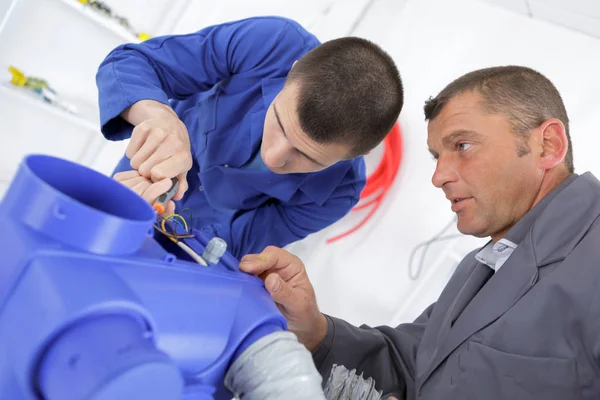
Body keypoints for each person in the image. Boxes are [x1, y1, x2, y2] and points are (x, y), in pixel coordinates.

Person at [240, 65, 600, 399]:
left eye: (463, 146)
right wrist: (315, 330)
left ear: (548, 145)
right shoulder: (480, 268)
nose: (439, 176)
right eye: (436, 156)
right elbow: (414, 366)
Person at [95, 16, 403, 258]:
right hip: (155, 159)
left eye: (307, 156)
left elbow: (232, 245)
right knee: (95, 233)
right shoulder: (271, 43)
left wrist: (175, 236)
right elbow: (129, 63)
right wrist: (159, 118)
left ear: (356, 154)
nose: (273, 157)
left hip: (207, 224)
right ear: (291, 73)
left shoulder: (337, 194)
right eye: (280, 123)